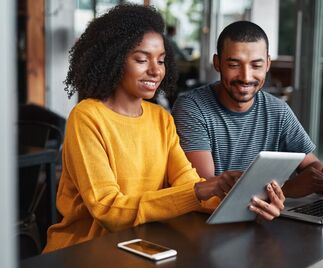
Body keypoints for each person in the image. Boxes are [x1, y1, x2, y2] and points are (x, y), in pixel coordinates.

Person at [43, 5, 284, 253]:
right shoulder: (87, 117)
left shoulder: (161, 118)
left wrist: (251, 206)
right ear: (113, 59)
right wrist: (200, 189)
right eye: (141, 59)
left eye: (160, 60)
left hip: (142, 246)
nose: (155, 70)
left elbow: (188, 185)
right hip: (84, 252)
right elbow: (109, 210)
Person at [172, 21, 323, 199]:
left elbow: (310, 164)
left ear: (268, 64)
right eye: (234, 65)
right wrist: (286, 190)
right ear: (217, 63)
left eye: (256, 65)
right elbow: (206, 189)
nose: (246, 77)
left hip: (264, 218)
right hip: (207, 222)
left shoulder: (277, 110)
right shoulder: (192, 107)